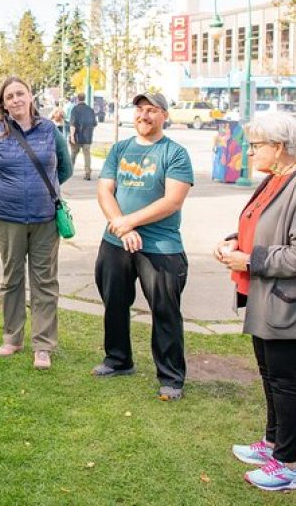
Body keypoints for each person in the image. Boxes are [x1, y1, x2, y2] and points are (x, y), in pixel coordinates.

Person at [213, 113, 296, 492]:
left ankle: (287, 464)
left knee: (286, 382)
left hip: (290, 302)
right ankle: (272, 444)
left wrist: (251, 260)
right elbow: (261, 224)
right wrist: (235, 241)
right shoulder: (277, 178)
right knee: (271, 376)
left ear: (279, 147)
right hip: (267, 298)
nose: (250, 152)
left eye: (256, 146)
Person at [92, 92, 193, 401]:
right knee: (115, 302)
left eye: (152, 111)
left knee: (165, 311)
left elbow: (172, 200)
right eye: (139, 110)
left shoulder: (174, 153)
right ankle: (118, 360)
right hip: (116, 241)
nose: (144, 116)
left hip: (161, 247)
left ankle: (171, 377)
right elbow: (105, 190)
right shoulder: (120, 149)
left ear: (164, 116)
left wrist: (129, 222)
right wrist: (122, 228)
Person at [0, 76, 72, 370]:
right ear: (3, 103)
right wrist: (5, 188)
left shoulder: (50, 130)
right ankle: (12, 338)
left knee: (45, 281)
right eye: (9, 96)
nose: (15, 100)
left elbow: (63, 169)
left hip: (45, 218)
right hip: (7, 218)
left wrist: (41, 189)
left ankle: (43, 345)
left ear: (30, 97)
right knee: (12, 278)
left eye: (20, 94)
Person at [70, 92, 97, 180]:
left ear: (77, 98)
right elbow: (94, 123)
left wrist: (72, 136)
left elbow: (72, 124)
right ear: (84, 98)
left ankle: (69, 171)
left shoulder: (75, 109)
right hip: (87, 137)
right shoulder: (90, 109)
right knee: (87, 154)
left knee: (73, 154)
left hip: (77, 136)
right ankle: (87, 172)